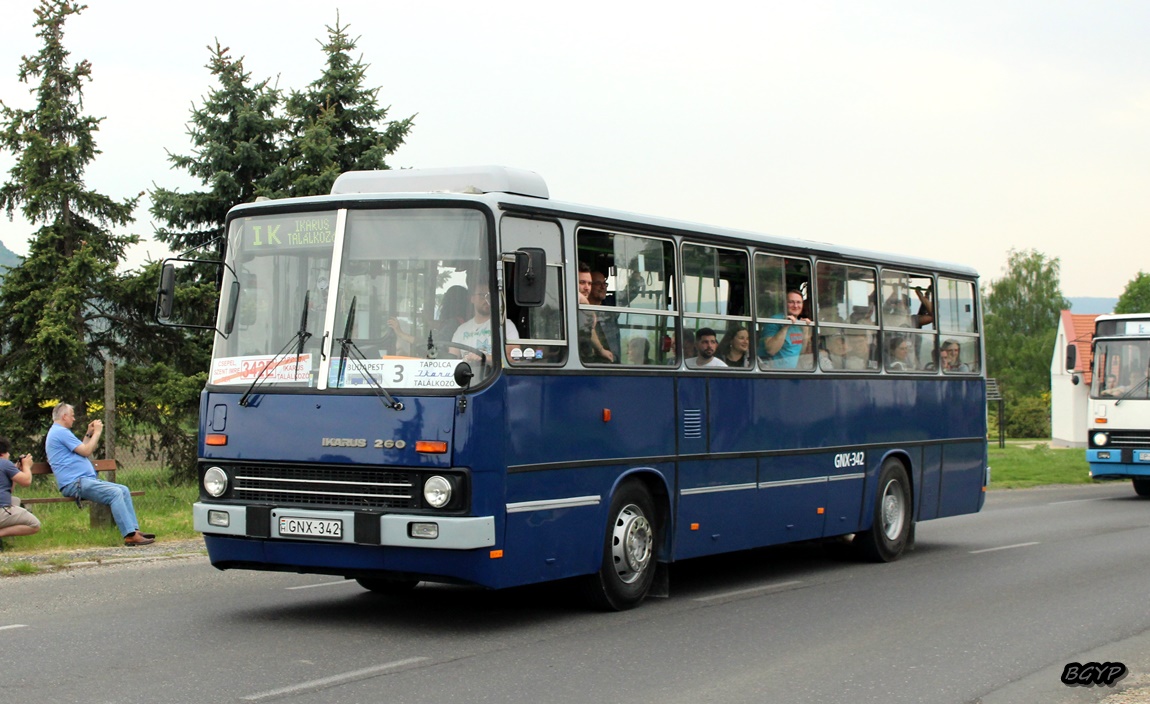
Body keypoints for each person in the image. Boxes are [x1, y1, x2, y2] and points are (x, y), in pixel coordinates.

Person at [45, 404, 154, 546]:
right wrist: (97, 432)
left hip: (82, 481)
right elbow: (86, 451)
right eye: (72, 415)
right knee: (115, 493)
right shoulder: (60, 432)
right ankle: (129, 535)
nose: (74, 418)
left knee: (124, 490)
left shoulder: (59, 432)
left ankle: (134, 530)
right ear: (64, 416)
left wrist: (89, 434)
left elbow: (80, 448)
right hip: (75, 483)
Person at [450, 282, 520, 363]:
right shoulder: (461, 329)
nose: (486, 299)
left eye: (489, 295)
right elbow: (452, 358)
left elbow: (513, 357)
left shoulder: (506, 325)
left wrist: (484, 358)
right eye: (482, 295)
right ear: (472, 298)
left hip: (494, 374)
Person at [0, 436, 41, 544]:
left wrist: (14, 473)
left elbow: (8, 491)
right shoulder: (4, 463)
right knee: (34, 525)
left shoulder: (5, 466)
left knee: (14, 500)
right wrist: (26, 466)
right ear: (3, 453)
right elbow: (26, 481)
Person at [761, 289, 811, 368]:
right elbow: (771, 350)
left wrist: (806, 330)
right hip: (774, 374)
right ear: (785, 304)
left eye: (798, 302)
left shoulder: (799, 324)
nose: (795, 306)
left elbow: (802, 352)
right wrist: (785, 327)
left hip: (792, 375)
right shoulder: (774, 320)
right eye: (791, 302)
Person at [576, 263, 614, 363]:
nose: (587, 288)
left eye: (589, 283)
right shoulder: (570, 304)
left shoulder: (606, 306)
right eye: (582, 282)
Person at [588, 269, 621, 362]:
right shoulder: (581, 309)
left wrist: (636, 276)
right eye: (598, 283)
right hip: (590, 362)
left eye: (605, 283)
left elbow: (628, 294)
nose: (603, 287)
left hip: (612, 361)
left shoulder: (610, 304)